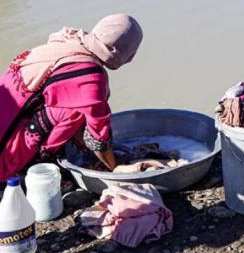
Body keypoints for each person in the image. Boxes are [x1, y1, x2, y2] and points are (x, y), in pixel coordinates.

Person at [0, 14, 143, 181]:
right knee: (76, 113)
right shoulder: (88, 75)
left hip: (9, 116)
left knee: (74, 106)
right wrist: (115, 168)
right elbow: (99, 134)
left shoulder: (69, 42)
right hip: (6, 148)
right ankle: (28, 166)